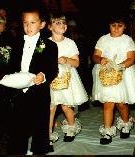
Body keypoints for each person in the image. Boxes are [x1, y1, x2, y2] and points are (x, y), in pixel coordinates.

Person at [5, 3, 58, 155]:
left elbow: (52, 68)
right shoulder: (17, 43)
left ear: (42, 24)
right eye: (25, 23)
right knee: (18, 123)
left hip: (38, 90)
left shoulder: (50, 46)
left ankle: (40, 149)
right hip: (19, 90)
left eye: (32, 22)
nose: (28, 27)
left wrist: (44, 75)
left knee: (40, 123)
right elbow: (12, 65)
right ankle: (17, 149)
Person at [92, 14, 135, 145]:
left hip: (124, 73)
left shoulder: (127, 40)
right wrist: (101, 60)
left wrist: (120, 66)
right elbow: (95, 56)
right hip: (106, 74)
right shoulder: (103, 39)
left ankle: (125, 123)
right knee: (108, 103)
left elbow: (131, 58)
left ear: (125, 27)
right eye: (113, 25)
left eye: (120, 26)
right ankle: (107, 132)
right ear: (109, 26)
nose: (116, 29)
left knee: (121, 104)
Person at [47, 12, 88, 145]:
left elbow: (76, 63)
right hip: (51, 78)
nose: (62, 25)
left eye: (64, 22)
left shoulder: (70, 43)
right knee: (51, 107)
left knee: (65, 106)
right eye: (57, 22)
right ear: (49, 26)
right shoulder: (45, 43)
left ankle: (71, 127)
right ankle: (47, 134)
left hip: (66, 78)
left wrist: (66, 59)